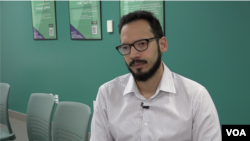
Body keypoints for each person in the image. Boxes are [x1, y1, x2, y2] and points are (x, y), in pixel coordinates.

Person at [90, 10, 221, 141]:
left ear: (162, 44)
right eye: (126, 47)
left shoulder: (196, 97)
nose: (133, 55)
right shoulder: (107, 94)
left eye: (142, 44)